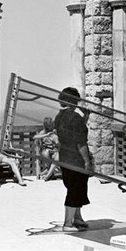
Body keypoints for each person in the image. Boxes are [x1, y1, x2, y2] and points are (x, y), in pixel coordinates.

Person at [54, 87, 94, 233]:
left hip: (65, 157)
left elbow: (71, 131)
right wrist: (87, 162)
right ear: (74, 100)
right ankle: (67, 224)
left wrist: (84, 118)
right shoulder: (75, 118)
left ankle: (77, 218)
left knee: (77, 188)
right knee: (74, 190)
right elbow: (80, 142)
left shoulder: (59, 116)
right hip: (76, 159)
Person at [33, 117, 60, 181]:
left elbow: (58, 144)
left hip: (55, 150)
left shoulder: (55, 131)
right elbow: (35, 137)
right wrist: (45, 135)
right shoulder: (43, 132)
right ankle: (49, 173)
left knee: (56, 158)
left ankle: (47, 176)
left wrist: (56, 140)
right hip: (46, 150)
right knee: (46, 153)